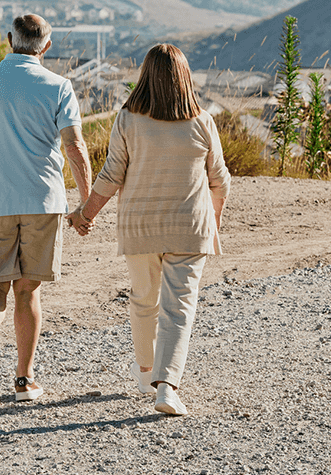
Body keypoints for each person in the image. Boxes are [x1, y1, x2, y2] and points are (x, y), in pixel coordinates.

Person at [69, 43, 229, 416]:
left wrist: (85, 214)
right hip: (189, 227)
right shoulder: (202, 121)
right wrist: (212, 223)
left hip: (140, 227)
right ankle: (167, 388)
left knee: (144, 301)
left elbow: (111, 175)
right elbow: (220, 181)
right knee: (179, 309)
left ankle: (145, 374)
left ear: (145, 77)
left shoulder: (128, 119)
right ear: (185, 78)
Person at [0, 14, 93, 403]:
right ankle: (25, 379)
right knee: (27, 291)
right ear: (46, 46)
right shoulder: (59, 86)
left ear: (9, 39)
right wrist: (85, 205)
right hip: (42, 202)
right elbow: (75, 148)